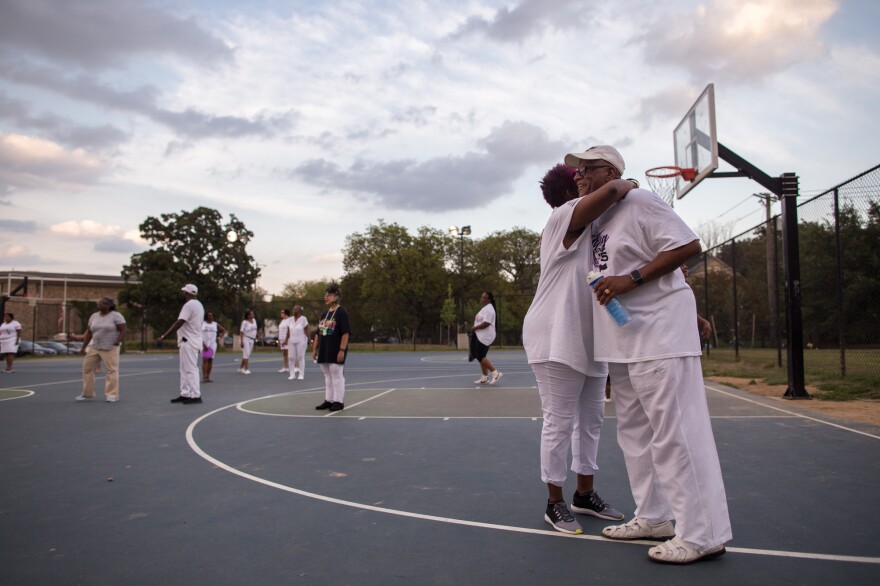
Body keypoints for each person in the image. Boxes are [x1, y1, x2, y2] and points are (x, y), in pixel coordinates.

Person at [567, 144, 731, 564]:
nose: (580, 174)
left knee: (676, 435)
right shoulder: (596, 219)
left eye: (589, 168)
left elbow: (686, 245)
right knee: (635, 437)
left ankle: (701, 534)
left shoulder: (638, 200)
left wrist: (633, 279)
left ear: (612, 172)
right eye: (577, 170)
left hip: (658, 337)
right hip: (623, 343)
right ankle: (654, 516)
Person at [523, 163, 635, 534]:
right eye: (578, 178)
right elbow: (607, 195)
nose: (584, 179)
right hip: (555, 334)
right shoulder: (561, 218)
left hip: (589, 337)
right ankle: (554, 501)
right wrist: (626, 182)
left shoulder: (594, 230)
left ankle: (584, 494)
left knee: (592, 420)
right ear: (569, 194)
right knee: (559, 419)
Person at [158, 284, 205, 404]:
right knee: (184, 369)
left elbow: (179, 322)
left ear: (187, 293)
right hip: (190, 341)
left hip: (188, 341)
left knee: (190, 369)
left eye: (184, 292)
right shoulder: (199, 305)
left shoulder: (188, 305)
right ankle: (185, 393)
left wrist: (164, 336)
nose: (183, 294)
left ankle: (195, 395)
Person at [76, 297, 126, 402]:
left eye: (103, 303)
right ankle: (87, 393)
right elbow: (89, 333)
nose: (100, 305)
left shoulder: (116, 316)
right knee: (87, 369)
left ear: (109, 305)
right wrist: (84, 347)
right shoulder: (94, 316)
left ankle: (112, 394)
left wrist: (118, 340)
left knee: (111, 370)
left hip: (110, 347)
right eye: (99, 303)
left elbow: (123, 330)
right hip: (95, 346)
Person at [312, 284, 350, 412]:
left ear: (337, 297)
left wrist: (342, 350)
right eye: (325, 295)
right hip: (324, 349)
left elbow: (345, 333)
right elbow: (318, 333)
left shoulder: (341, 313)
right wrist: (315, 349)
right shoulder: (324, 315)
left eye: (329, 295)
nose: (326, 297)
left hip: (336, 348)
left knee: (336, 374)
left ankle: (338, 401)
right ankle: (329, 400)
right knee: (327, 375)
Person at [471, 292, 502, 385]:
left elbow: (486, 323)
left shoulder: (489, 309)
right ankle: (484, 377)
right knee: (481, 356)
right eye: (482, 297)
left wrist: (475, 327)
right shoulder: (486, 308)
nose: (482, 299)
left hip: (485, 337)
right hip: (481, 335)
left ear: (489, 300)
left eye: (484, 298)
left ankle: (495, 373)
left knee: (480, 356)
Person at [201, 311, 226, 383]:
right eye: (209, 315)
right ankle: (204, 376)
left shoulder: (215, 324)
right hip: (204, 343)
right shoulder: (202, 324)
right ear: (206, 316)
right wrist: (202, 343)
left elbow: (223, 330)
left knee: (210, 360)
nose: (211, 317)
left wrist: (219, 338)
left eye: (212, 315)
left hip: (212, 344)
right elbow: (198, 334)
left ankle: (208, 376)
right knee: (205, 359)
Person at [286, 305, 310, 380]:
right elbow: (288, 330)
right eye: (293, 309)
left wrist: (309, 339)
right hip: (291, 340)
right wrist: (286, 340)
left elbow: (306, 330)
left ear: (299, 311)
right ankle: (292, 374)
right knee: (291, 357)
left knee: (300, 357)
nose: (294, 310)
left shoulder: (303, 319)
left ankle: (301, 374)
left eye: (296, 309)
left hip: (301, 340)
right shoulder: (290, 319)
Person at [239, 310, 258, 375]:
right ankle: (246, 369)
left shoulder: (254, 320)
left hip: (252, 339)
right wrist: (241, 341)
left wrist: (257, 335)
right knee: (246, 354)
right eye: (251, 314)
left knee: (247, 354)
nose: (253, 315)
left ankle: (241, 368)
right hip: (246, 338)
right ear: (248, 315)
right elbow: (241, 332)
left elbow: (255, 329)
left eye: (253, 313)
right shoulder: (244, 322)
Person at [277, 308, 291, 373]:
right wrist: (279, 340)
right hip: (282, 339)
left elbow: (289, 330)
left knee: (290, 354)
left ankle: (294, 367)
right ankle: (286, 367)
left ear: (285, 313)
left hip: (288, 339)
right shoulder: (282, 321)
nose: (281, 314)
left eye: (282, 312)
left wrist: (286, 340)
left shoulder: (289, 320)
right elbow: (280, 331)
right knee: (285, 354)